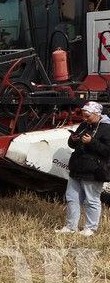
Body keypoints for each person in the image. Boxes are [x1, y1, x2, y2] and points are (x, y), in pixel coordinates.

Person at [57, 101, 109, 236]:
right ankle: (70, 226)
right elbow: (72, 145)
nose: (85, 119)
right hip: (77, 167)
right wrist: (73, 139)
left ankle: (90, 228)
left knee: (92, 200)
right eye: (84, 116)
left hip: (94, 170)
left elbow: (107, 151)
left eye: (88, 116)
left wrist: (91, 142)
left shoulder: (107, 128)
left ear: (97, 114)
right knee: (71, 198)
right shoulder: (84, 125)